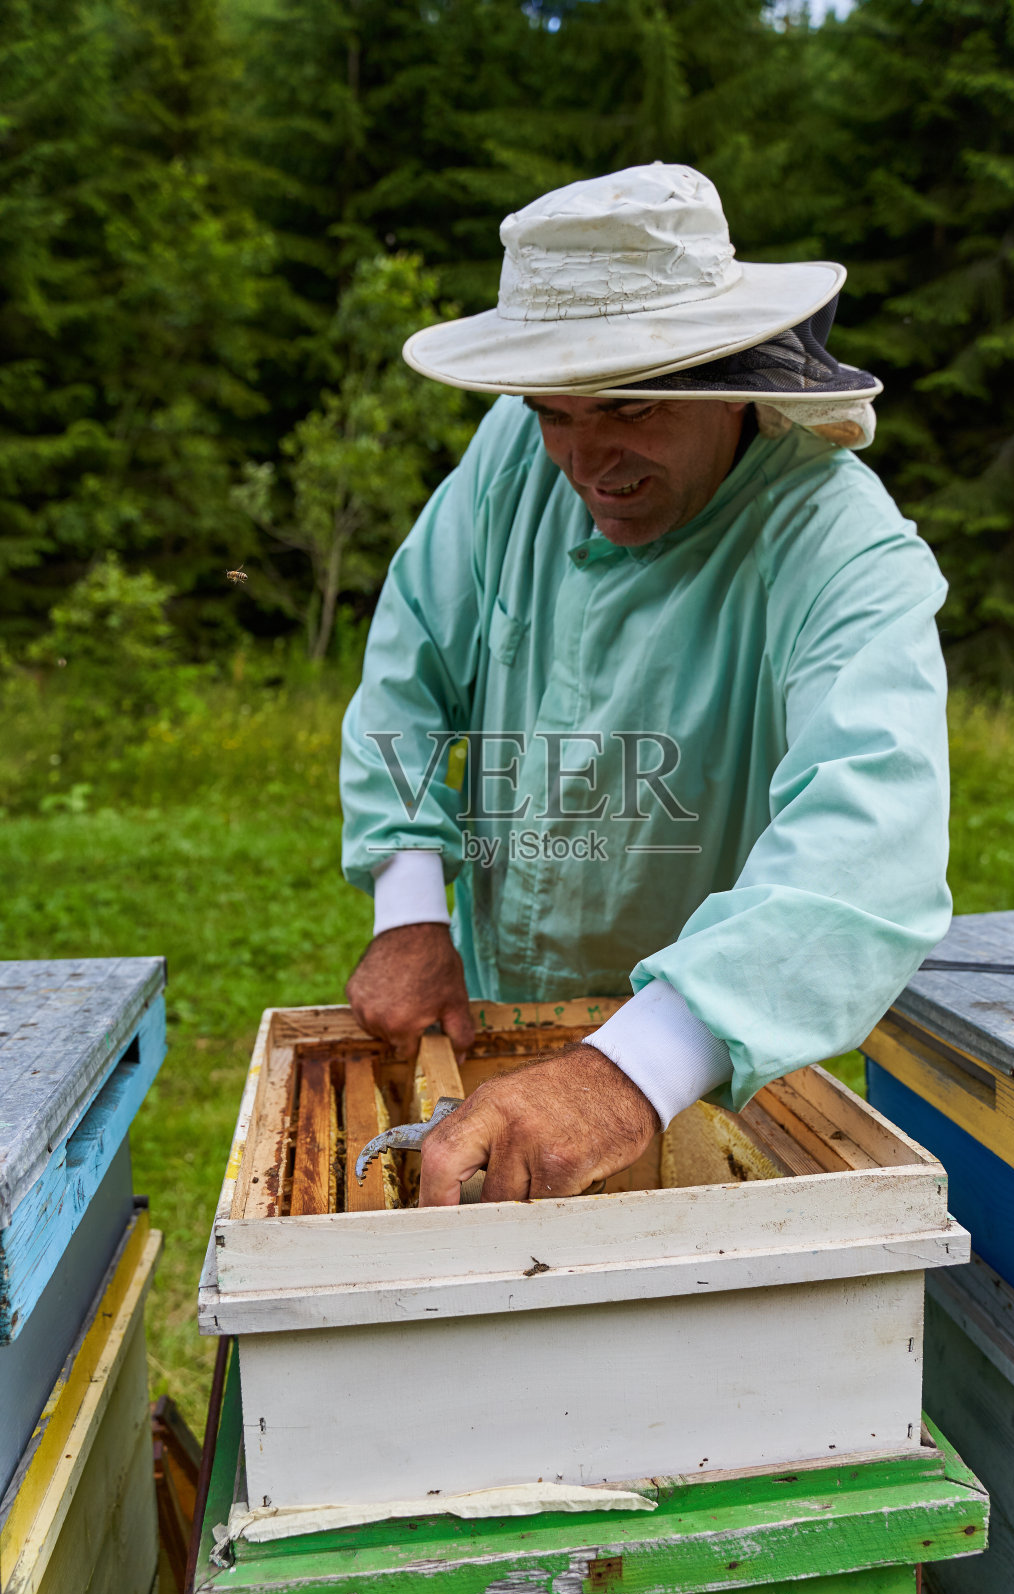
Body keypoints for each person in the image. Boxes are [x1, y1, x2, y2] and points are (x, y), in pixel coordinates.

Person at [339, 163, 951, 1206]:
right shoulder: (509, 461)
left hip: (712, 1055)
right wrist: (407, 904)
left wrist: (635, 1067)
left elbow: (868, 837)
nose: (585, 462)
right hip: (498, 1013)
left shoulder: (840, 545)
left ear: (724, 378)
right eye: (553, 413)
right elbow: (406, 673)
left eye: (627, 408)